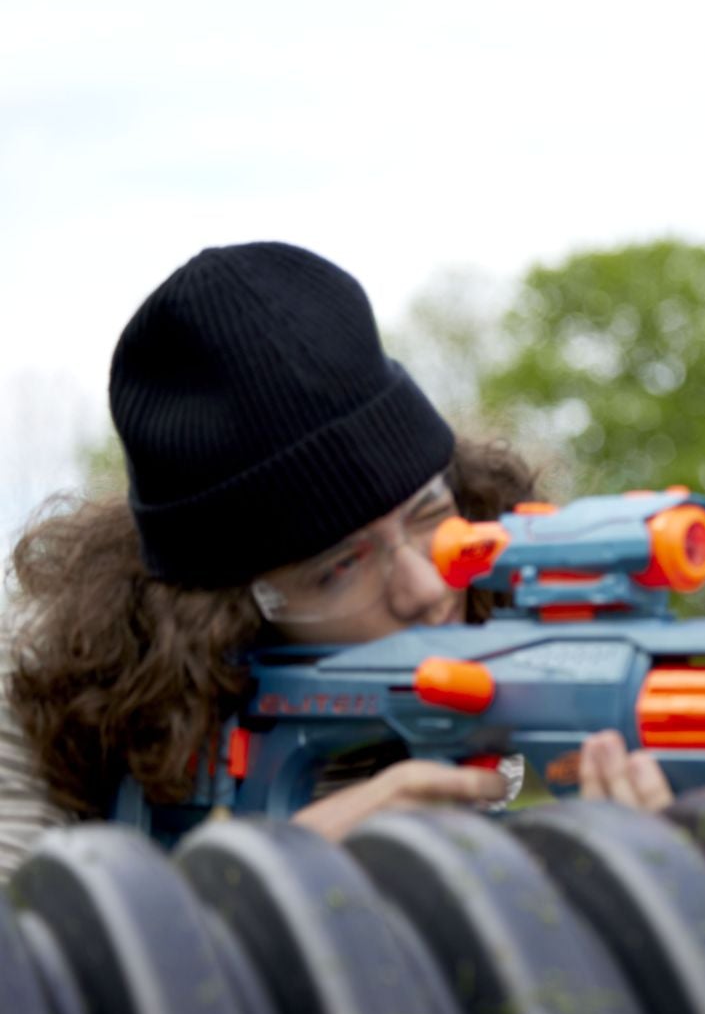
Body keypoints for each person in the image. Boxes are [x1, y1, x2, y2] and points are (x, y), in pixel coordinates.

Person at [0, 242, 667, 886]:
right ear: (219, 615)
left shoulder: (491, 663)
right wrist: (266, 885)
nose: (425, 588)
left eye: (431, 516)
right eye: (340, 568)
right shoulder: (33, 710)